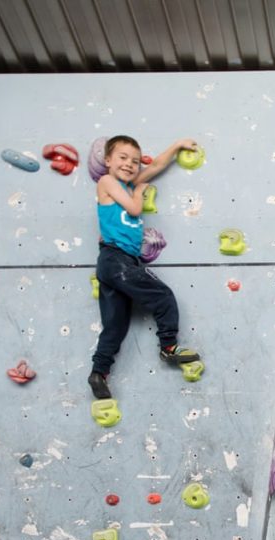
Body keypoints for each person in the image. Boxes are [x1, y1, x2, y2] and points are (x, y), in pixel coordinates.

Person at [87, 135, 202, 400]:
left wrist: (175, 145)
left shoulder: (127, 185)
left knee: (115, 325)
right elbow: (134, 208)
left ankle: (98, 372)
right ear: (108, 161)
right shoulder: (107, 182)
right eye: (123, 158)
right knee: (162, 296)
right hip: (115, 259)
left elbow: (156, 166)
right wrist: (139, 192)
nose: (130, 164)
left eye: (135, 161)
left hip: (119, 264)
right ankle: (169, 346)